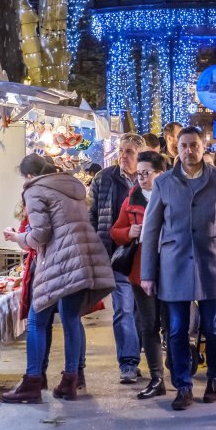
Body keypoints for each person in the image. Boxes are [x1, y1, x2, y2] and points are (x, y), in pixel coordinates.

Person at [141, 126, 216, 410]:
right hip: (174, 264)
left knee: (213, 327)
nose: (189, 150)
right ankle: (183, 385)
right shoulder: (164, 183)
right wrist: (148, 272)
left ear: (203, 146)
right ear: (177, 147)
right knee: (176, 329)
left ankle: (213, 378)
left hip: (212, 262)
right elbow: (151, 230)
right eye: (184, 145)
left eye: (194, 145)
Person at [3, 154, 115, 402]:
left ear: (29, 176)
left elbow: (40, 234)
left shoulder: (35, 190)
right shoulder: (72, 188)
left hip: (57, 262)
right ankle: (70, 381)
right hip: (83, 260)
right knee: (71, 319)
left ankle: (32, 382)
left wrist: (19, 238)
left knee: (36, 320)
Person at [111, 151, 168, 400]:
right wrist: (129, 232)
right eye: (140, 173)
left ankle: (179, 373)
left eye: (146, 173)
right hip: (139, 270)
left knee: (174, 325)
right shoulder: (131, 198)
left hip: (170, 268)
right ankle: (157, 378)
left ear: (160, 174)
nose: (141, 178)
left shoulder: (172, 196)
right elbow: (116, 231)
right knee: (148, 325)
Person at [89, 133, 146, 384]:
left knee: (140, 312)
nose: (123, 155)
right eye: (121, 150)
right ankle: (129, 362)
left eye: (130, 151)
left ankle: (138, 354)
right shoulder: (104, 178)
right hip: (116, 254)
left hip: (145, 257)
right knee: (123, 309)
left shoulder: (152, 178)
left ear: (140, 155)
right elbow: (92, 216)